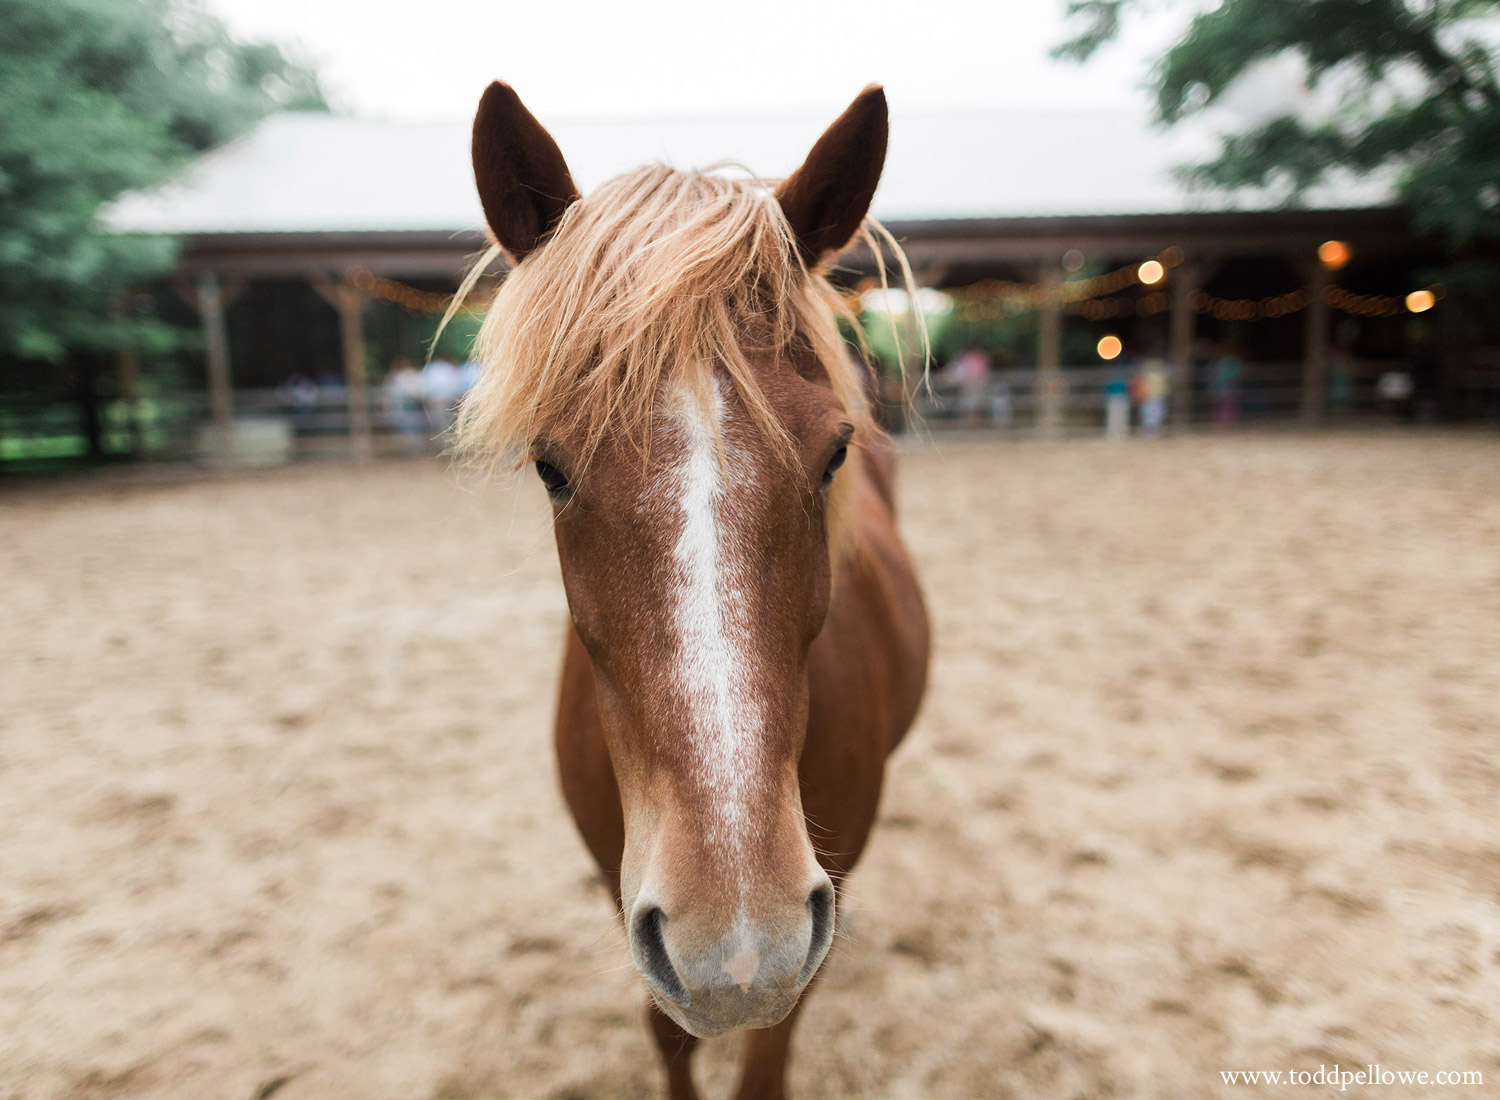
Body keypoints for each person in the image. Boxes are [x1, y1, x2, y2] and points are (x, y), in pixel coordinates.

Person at [944, 346, 991, 425]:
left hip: (975, 385)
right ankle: (969, 421)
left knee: (975, 404)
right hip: (970, 385)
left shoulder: (976, 358)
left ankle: (974, 421)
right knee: (968, 404)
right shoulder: (968, 358)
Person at [1209, 342, 1243, 427]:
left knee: (1228, 406)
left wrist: (1216, 383)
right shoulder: (1224, 361)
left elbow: (1231, 374)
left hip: (1229, 387)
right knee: (1223, 406)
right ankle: (1223, 425)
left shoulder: (1230, 361)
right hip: (1224, 387)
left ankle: (1227, 425)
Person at [1136, 355, 1170, 437]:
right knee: (1149, 416)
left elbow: (1164, 387)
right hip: (1149, 398)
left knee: (1156, 416)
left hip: (1157, 397)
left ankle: (1154, 433)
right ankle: (1149, 433)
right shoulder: (1147, 376)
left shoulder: (1161, 376)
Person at [1104, 369, 1130, 438]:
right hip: (1115, 399)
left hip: (1120, 399)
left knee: (1120, 417)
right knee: (1114, 417)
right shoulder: (1113, 381)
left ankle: (1120, 432)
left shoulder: (1120, 381)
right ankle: (1114, 432)